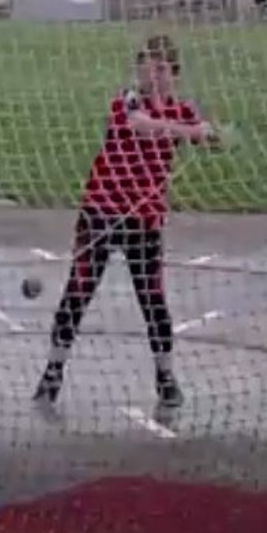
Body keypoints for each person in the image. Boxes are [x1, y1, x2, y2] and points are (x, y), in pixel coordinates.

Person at [34, 34, 220, 409]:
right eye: (147, 66)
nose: (153, 74)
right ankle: (52, 373)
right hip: (102, 211)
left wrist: (212, 134)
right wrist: (190, 132)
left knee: (153, 300)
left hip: (144, 220)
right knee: (79, 291)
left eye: (162, 68)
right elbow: (140, 124)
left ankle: (165, 377)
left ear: (174, 74)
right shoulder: (127, 99)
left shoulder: (184, 109)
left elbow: (206, 137)